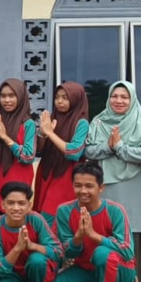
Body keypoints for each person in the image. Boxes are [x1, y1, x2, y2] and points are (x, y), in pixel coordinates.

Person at [84, 80, 141, 282]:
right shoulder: (99, 122)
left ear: (132, 99)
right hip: (107, 185)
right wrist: (108, 147)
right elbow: (89, 151)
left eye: (124, 97)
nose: (118, 100)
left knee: (135, 229)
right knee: (107, 230)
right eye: (114, 96)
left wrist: (121, 148)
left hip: (137, 185)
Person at [48, 161, 135, 282]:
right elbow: (64, 252)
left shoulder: (115, 210)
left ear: (101, 188)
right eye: (78, 185)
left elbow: (127, 251)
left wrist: (93, 235)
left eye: (89, 186)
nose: (83, 191)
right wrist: (78, 238)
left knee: (102, 254)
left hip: (120, 270)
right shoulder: (64, 211)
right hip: (86, 269)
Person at [0, 181, 62, 282]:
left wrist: (32, 246)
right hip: (10, 275)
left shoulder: (36, 220)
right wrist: (17, 249)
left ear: (29, 205)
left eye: (21, 203)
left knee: (37, 260)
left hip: (36, 273)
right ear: (2, 205)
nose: (16, 208)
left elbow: (58, 253)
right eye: (10, 203)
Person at [33, 81, 89, 226]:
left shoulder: (81, 123)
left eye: (65, 98)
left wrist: (50, 133)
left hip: (66, 175)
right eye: (57, 97)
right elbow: (38, 151)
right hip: (47, 172)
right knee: (40, 215)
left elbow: (74, 152)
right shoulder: (53, 119)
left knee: (51, 216)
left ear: (75, 99)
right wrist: (42, 133)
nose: (59, 101)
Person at [0, 78, 37, 220]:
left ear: (21, 97)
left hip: (18, 176)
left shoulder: (28, 123)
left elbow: (28, 156)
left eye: (11, 96)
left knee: (16, 212)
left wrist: (5, 138)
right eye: (3, 96)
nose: (6, 100)